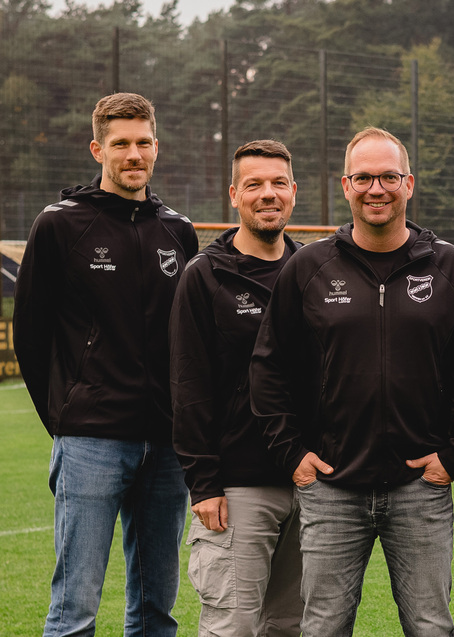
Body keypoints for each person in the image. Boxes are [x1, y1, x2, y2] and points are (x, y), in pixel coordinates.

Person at [248, 126, 454, 637]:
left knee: (431, 628)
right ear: (345, 185)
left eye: (388, 176)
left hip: (420, 487)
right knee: (322, 628)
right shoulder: (308, 269)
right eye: (363, 177)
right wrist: (291, 454)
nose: (376, 189)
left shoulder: (450, 268)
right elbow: (268, 367)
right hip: (330, 489)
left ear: (409, 183)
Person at [13, 92, 198, 637]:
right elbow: (31, 335)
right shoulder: (60, 225)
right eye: (121, 144)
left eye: (143, 143)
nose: (133, 154)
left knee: (156, 612)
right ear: (98, 148)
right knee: (74, 613)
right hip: (91, 440)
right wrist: (68, 420)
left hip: (166, 446)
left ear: (157, 148)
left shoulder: (178, 229)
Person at [169, 139, 303, 636]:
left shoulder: (314, 270)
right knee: (232, 628)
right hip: (237, 488)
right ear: (234, 195)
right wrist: (203, 483)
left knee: (290, 626)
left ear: (294, 191)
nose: (267, 194)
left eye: (277, 183)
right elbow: (188, 384)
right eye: (254, 185)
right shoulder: (204, 276)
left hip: (311, 483)